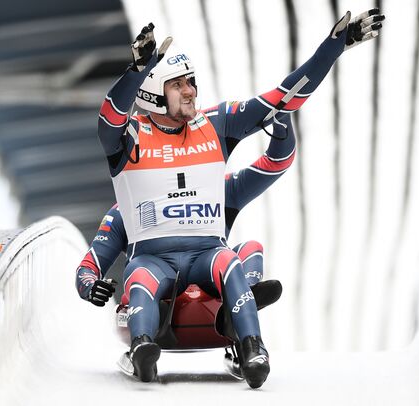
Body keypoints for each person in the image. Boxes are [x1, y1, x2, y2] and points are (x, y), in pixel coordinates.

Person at [93, 9, 384, 388]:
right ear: (153, 93)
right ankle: (144, 347)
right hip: (152, 258)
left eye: (192, 82)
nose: (191, 91)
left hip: (206, 254)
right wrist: (134, 72)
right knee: (141, 277)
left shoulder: (216, 122)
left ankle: (252, 348)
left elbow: (284, 97)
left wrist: (334, 47)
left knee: (230, 261)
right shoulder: (129, 138)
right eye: (178, 84)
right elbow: (109, 119)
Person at [76, 115, 295, 378]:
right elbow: (90, 265)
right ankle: (143, 344)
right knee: (140, 272)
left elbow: (277, 161)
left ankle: (244, 319)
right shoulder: (124, 210)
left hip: (211, 278)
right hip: (160, 283)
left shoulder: (220, 187)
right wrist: (90, 286)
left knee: (243, 251)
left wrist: (281, 112)